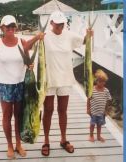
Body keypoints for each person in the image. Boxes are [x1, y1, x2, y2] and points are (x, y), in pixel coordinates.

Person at [0, 15, 39, 159]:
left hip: (20, 83)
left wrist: (30, 65)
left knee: (19, 115)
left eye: (13, 26)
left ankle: (18, 144)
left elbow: (27, 61)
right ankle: (9, 145)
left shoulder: (22, 41)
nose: (11, 29)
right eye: (8, 26)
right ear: (2, 28)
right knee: (7, 115)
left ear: (16, 27)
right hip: (4, 84)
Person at [37, 11, 93, 156]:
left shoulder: (69, 35)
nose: (60, 26)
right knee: (48, 110)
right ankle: (46, 140)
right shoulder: (45, 36)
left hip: (65, 78)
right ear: (51, 23)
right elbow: (31, 48)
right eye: (57, 24)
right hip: (48, 79)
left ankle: (63, 139)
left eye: (62, 24)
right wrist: (38, 38)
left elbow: (85, 41)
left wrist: (89, 34)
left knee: (63, 110)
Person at [87, 69, 112, 142]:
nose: (101, 83)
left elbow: (108, 101)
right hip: (93, 112)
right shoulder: (92, 89)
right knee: (92, 124)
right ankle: (91, 135)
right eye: (99, 81)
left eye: (103, 81)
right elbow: (88, 100)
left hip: (101, 112)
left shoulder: (106, 91)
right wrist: (88, 109)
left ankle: (98, 136)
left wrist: (106, 111)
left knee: (99, 125)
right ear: (96, 81)